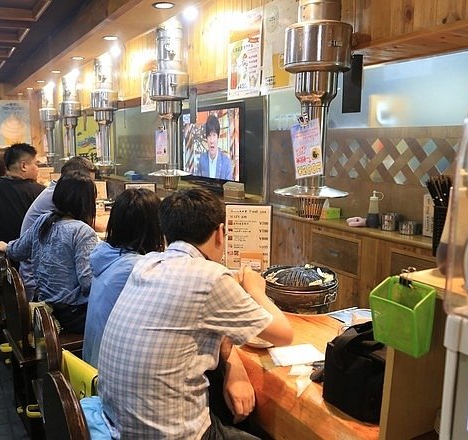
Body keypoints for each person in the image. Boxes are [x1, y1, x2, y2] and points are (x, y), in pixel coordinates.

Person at [98, 188, 293, 439]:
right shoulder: (210, 277)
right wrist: (257, 291)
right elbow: (284, 335)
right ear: (220, 233)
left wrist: (234, 365)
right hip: (171, 434)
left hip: (119, 425)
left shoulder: (147, 264)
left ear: (166, 234)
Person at [0, 171, 98, 333]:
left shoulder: (44, 220)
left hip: (45, 306)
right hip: (70, 314)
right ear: (86, 202)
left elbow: (18, 251)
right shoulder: (82, 231)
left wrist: (6, 247)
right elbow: (88, 284)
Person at [82, 188, 164, 367]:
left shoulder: (106, 254)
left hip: (91, 362)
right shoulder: (136, 267)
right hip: (109, 372)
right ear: (153, 227)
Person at [19, 156, 103, 299]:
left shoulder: (56, 200)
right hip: (49, 292)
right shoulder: (79, 230)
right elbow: (87, 284)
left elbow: (16, 250)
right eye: (89, 184)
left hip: (43, 287)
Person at [0, 143, 44, 251]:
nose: (37, 169)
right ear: (23, 166)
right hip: (25, 256)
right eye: (36, 164)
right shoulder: (39, 191)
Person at [198, 114, 234, 180]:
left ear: (218, 137)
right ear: (206, 138)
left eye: (214, 135)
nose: (211, 140)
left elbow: (229, 188)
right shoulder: (202, 159)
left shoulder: (226, 163)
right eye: (209, 136)